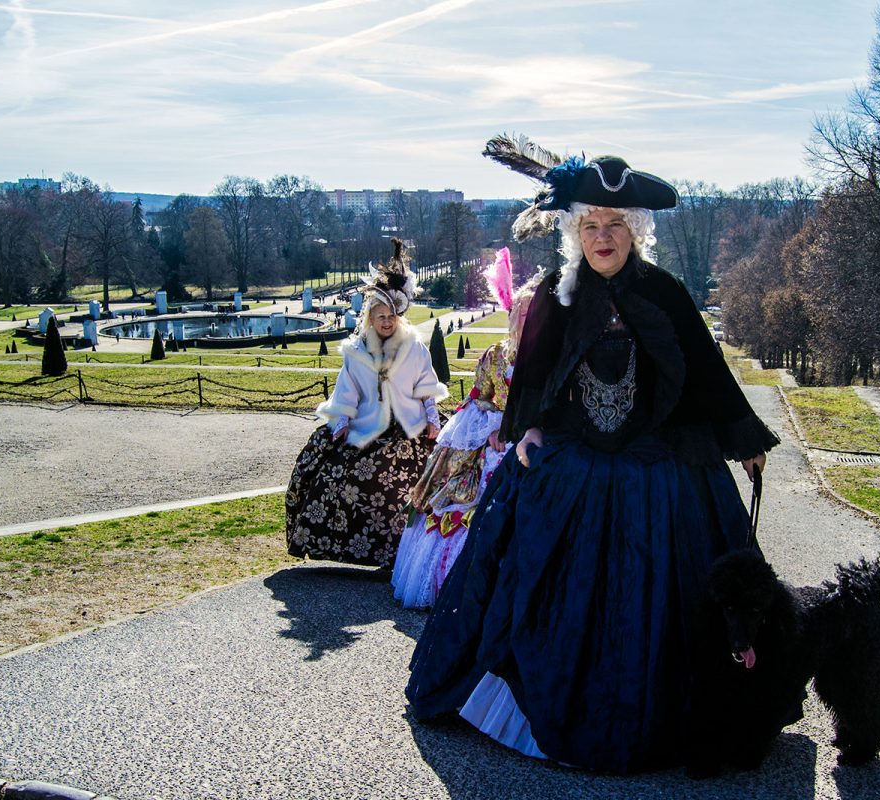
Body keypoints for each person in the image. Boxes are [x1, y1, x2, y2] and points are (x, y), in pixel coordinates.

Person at [405, 135, 780, 773]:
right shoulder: (558, 292)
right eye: (589, 225)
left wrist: (744, 442)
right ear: (574, 231)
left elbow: (707, 373)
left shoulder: (665, 293)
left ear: (635, 230)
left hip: (661, 468)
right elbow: (533, 373)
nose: (601, 237)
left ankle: (668, 712)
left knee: (667, 589)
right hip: (571, 464)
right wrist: (525, 430)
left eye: (614, 225)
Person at [286, 239, 449, 569]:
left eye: (391, 316)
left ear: (399, 316)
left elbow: (426, 388)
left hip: (410, 426)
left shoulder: (415, 348)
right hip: (367, 425)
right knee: (338, 471)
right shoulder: (357, 351)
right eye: (380, 316)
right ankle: (362, 550)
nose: (386, 322)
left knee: (400, 479)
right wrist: (342, 421)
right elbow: (346, 391)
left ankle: (407, 552)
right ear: (370, 317)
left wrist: (432, 418)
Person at [390, 248, 540, 609]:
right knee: (459, 498)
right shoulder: (496, 356)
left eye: (535, 316)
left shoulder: (552, 360)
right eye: (521, 314)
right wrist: (493, 427)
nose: (526, 321)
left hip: (532, 442)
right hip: (492, 441)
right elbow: (480, 397)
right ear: (511, 316)